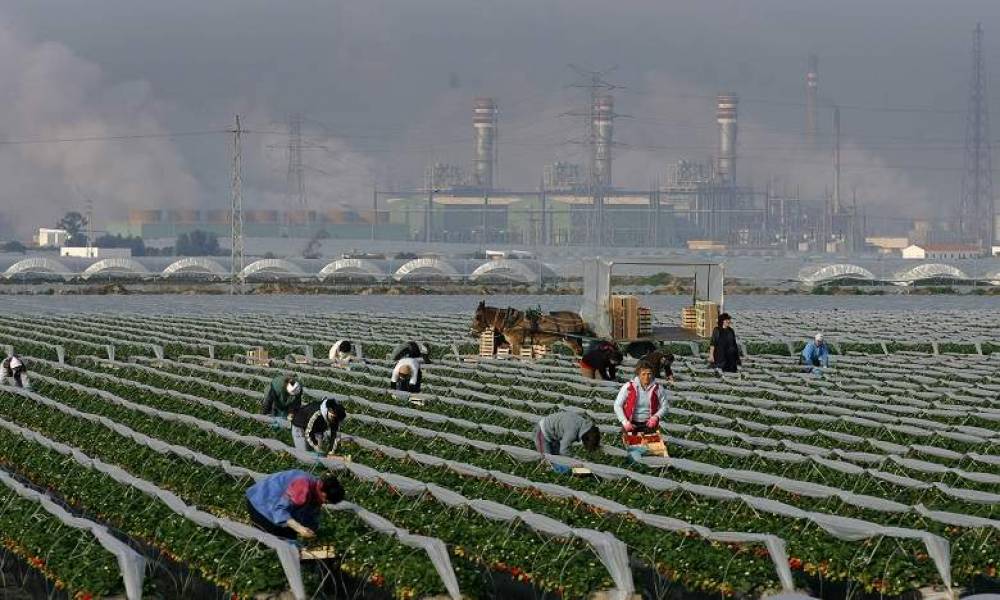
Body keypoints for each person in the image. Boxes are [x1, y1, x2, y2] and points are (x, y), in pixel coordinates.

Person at [245, 470, 345, 541]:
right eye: (326, 501)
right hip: (261, 503)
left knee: (290, 536)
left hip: (273, 505)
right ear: (324, 493)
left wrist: (314, 533)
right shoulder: (302, 486)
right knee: (279, 539)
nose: (324, 503)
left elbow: (311, 516)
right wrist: (299, 529)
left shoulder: (316, 491)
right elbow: (279, 510)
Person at [614, 361, 667, 433]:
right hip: (631, 423)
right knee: (630, 442)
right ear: (638, 374)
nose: (646, 377)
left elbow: (665, 406)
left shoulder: (658, 388)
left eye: (649, 374)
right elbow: (617, 405)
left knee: (650, 443)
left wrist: (656, 417)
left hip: (649, 424)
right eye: (643, 374)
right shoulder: (628, 386)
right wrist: (624, 422)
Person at [533, 410, 602, 456]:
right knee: (548, 460)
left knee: (558, 459)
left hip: (553, 435)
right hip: (542, 432)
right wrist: (575, 459)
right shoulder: (572, 432)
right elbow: (563, 450)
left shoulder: (583, 423)